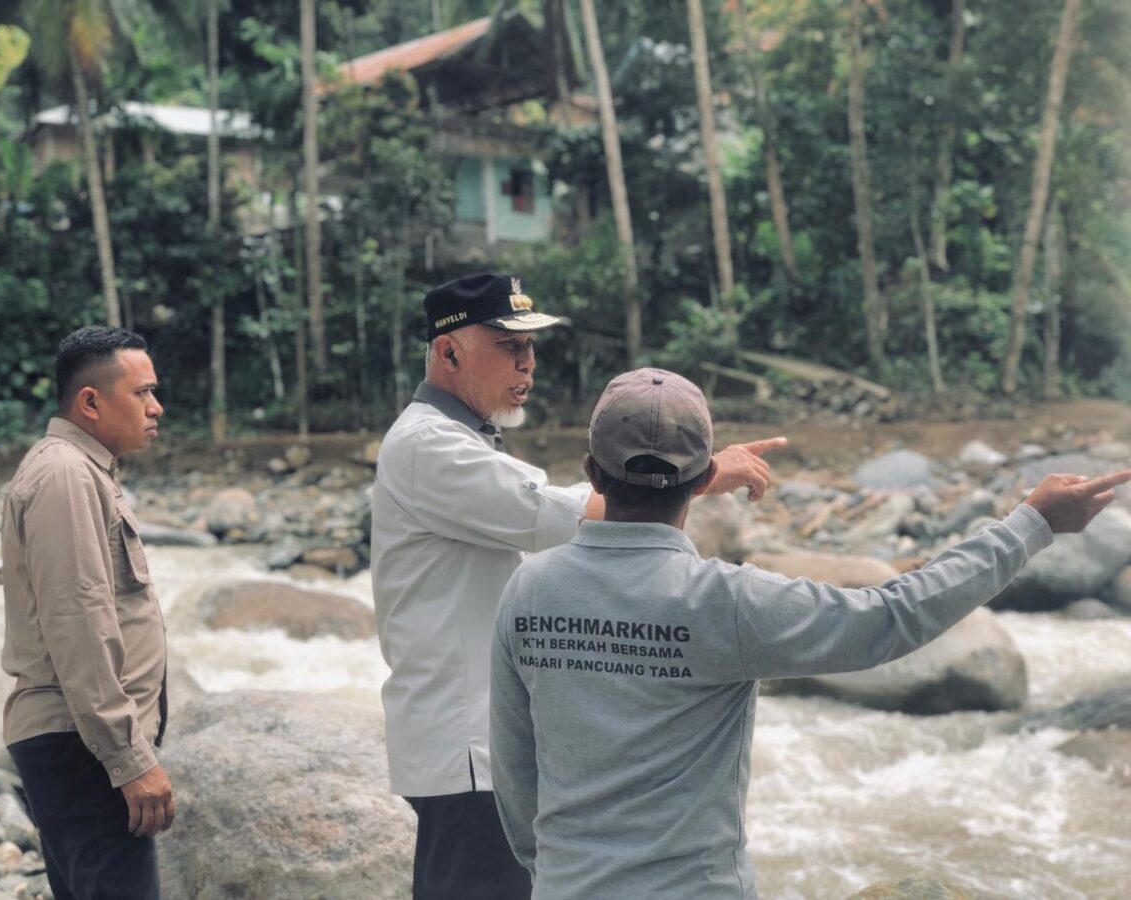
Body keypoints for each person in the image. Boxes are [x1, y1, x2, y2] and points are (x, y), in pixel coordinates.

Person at [489, 367, 1131, 900]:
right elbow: (892, 617)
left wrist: (554, 874)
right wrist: (1031, 525)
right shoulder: (727, 603)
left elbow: (516, 776)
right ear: (702, 482)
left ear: (589, 475)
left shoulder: (527, 591)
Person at [370, 275, 786, 899]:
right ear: (449, 352)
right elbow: (554, 515)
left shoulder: (455, 437)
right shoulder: (428, 444)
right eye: (509, 346)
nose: (528, 362)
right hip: (468, 750)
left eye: (531, 347)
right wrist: (693, 474)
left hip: (485, 747)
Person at [1, 326, 173, 900]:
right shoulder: (66, 476)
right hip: (84, 748)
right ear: (91, 402)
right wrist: (129, 759)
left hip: (82, 745)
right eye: (142, 393)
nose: (157, 407)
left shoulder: (80, 472)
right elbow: (80, 623)